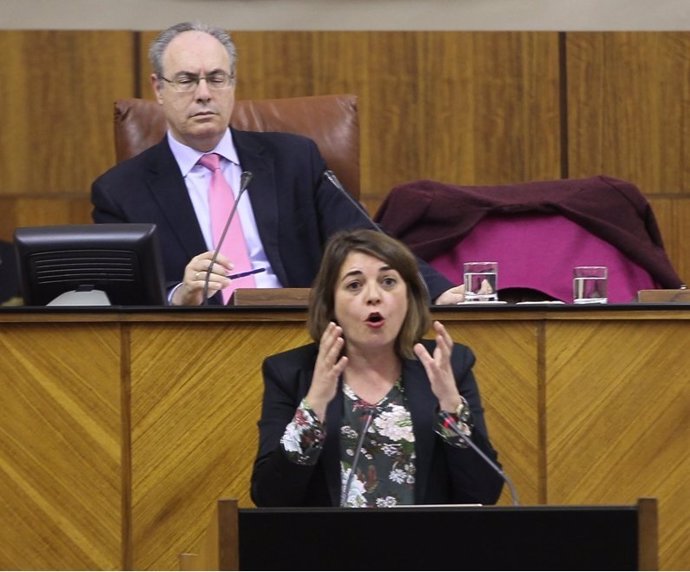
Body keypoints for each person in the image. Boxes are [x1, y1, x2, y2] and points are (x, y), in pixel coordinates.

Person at [91, 21, 465, 306]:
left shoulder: (294, 160)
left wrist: (437, 291)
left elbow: (363, 236)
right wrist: (178, 294)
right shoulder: (121, 192)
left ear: (233, 83)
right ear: (159, 88)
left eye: (216, 79)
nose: (204, 94)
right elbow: (121, 296)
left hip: (300, 332)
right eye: (187, 80)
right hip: (193, 346)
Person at [251, 229, 504, 507]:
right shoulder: (290, 372)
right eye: (354, 285)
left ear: (410, 296)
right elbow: (270, 498)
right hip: (326, 547)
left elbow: (484, 493)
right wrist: (313, 406)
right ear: (330, 303)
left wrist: (451, 406)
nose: (373, 296)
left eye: (388, 281)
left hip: (429, 546)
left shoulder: (449, 366)